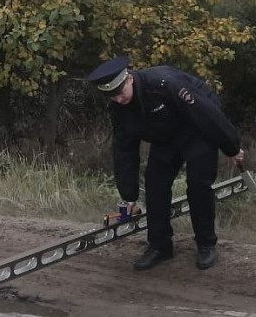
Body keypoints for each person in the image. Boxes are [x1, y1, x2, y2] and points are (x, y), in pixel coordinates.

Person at [86, 56, 245, 271]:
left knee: (198, 184)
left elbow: (207, 115)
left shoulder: (164, 84)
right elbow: (124, 150)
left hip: (197, 131)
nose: (119, 99)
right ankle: (160, 246)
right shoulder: (118, 109)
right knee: (155, 185)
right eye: (112, 96)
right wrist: (129, 195)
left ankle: (206, 243)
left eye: (120, 93)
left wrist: (232, 147)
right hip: (165, 138)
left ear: (129, 79)